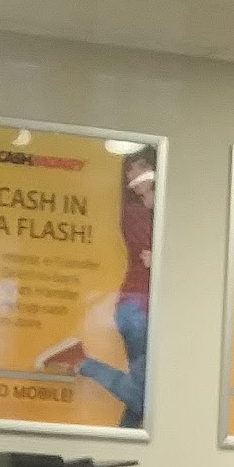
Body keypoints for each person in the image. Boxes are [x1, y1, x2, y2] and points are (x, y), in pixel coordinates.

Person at [36, 146, 156, 428]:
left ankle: (124, 443)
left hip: (138, 307)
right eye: (130, 170)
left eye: (141, 167)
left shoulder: (150, 211)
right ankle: (81, 361)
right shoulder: (137, 213)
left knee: (140, 399)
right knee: (147, 398)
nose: (135, 175)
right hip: (139, 310)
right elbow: (154, 257)